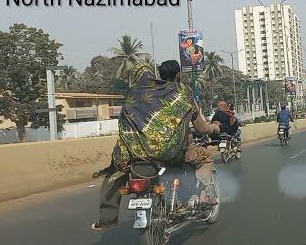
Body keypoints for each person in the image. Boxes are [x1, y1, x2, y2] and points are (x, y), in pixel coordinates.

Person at [91, 60, 220, 231]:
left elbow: (124, 126)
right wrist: (214, 128)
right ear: (178, 74)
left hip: (136, 154)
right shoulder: (182, 93)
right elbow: (201, 127)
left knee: (115, 174)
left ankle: (107, 220)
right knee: (206, 157)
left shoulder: (133, 95)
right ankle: (204, 196)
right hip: (173, 152)